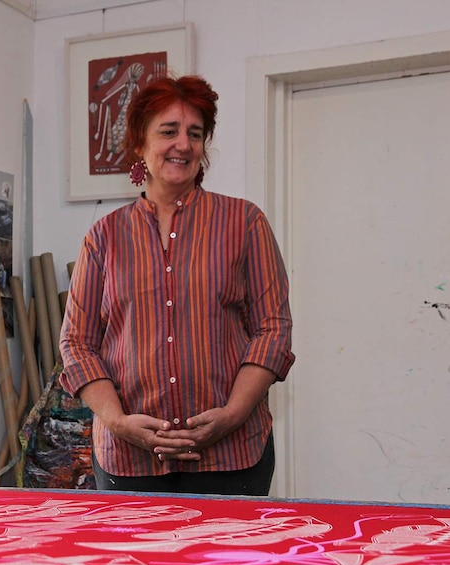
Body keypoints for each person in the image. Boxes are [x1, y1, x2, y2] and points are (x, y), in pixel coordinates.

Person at [59, 75, 295, 496]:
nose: (183, 145)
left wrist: (232, 414)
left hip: (233, 456)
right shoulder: (104, 237)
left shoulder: (244, 224)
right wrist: (117, 422)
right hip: (128, 462)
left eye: (195, 133)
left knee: (226, 563)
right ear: (139, 143)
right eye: (168, 131)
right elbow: (77, 343)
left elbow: (272, 329)